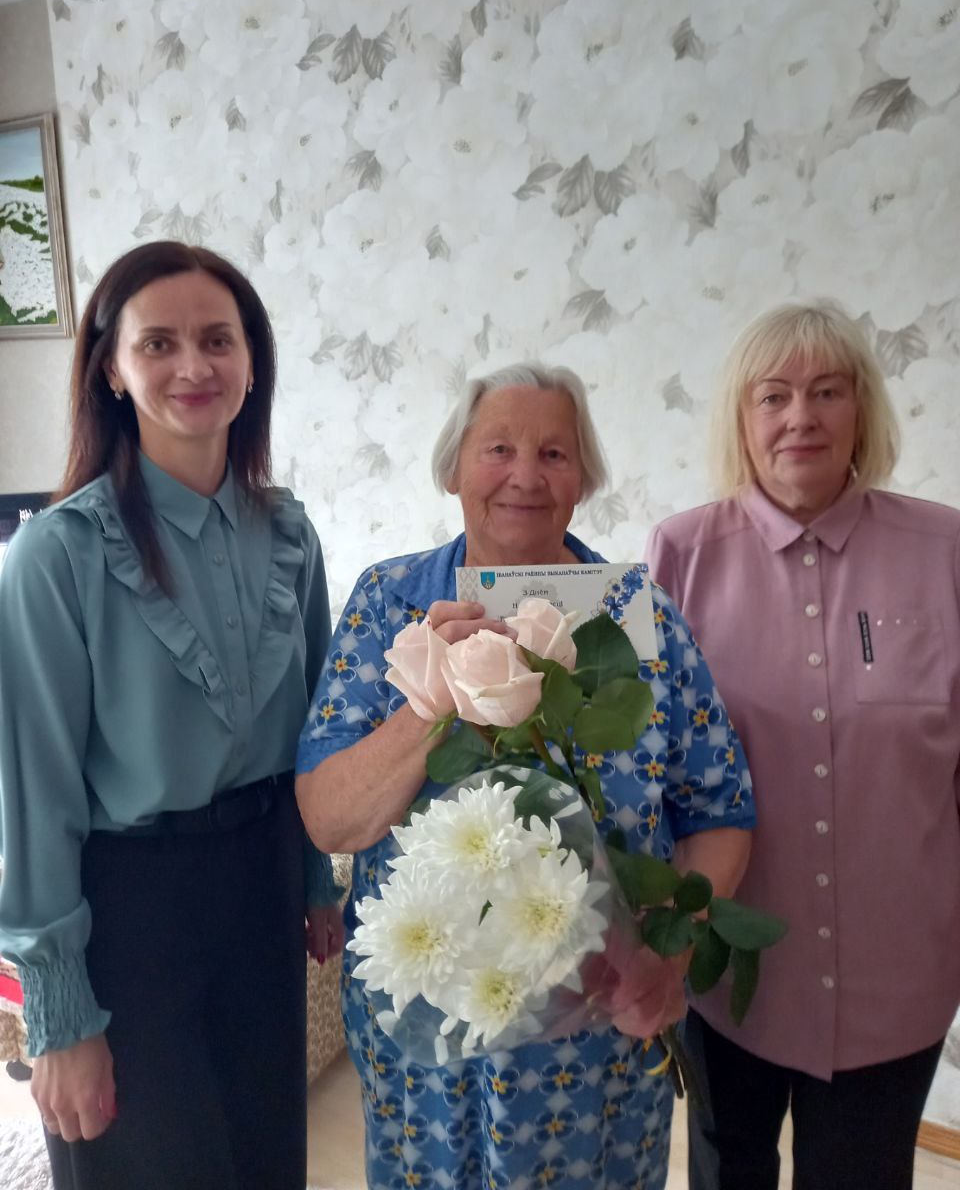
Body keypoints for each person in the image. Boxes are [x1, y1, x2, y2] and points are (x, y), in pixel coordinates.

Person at [295, 362, 754, 1190]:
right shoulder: (389, 601)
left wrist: (668, 955)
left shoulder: (637, 617)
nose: (525, 476)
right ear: (453, 469)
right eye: (498, 449)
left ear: (583, 480)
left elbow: (719, 810)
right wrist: (436, 699)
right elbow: (331, 819)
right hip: (428, 1050)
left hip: (596, 1057)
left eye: (554, 453)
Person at [0, 241, 343, 1190]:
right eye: (159, 343)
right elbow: (34, 797)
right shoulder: (55, 558)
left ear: (251, 363)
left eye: (218, 340)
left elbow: (316, 729)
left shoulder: (291, 533)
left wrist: (316, 876)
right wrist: (60, 1018)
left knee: (264, 1159)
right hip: (130, 909)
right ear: (112, 369)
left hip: (261, 886)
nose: (194, 366)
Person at [645, 300, 960, 1190]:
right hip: (726, 971)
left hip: (900, 974)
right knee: (727, 1171)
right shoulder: (679, 554)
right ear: (741, 419)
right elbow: (646, 768)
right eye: (773, 396)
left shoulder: (946, 549)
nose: (800, 418)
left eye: (827, 392)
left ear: (862, 409)